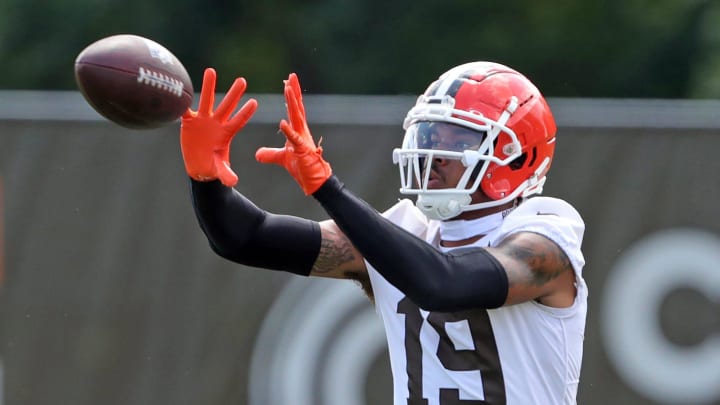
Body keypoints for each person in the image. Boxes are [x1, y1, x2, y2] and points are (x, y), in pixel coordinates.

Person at [180, 61, 587, 405]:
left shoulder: (544, 238)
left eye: (456, 141)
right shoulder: (405, 232)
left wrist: (328, 189)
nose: (433, 156)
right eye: (431, 137)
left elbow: (445, 283)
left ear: (515, 155)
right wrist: (206, 178)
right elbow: (246, 237)